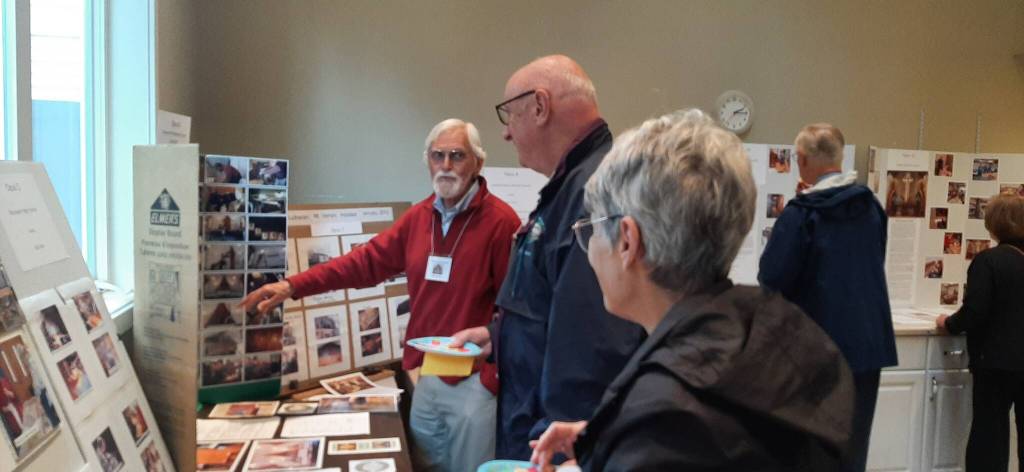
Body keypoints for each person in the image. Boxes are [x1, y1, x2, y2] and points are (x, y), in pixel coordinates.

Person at [530, 109, 854, 470]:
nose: (589, 250)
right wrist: (609, 443)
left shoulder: (665, 420)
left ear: (626, 241)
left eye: (591, 228)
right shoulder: (782, 337)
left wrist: (627, 446)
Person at [239, 118, 520, 472]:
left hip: (475, 383)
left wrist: (490, 379)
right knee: (424, 464)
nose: (445, 166)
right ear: (427, 161)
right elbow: (363, 263)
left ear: (477, 163)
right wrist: (293, 286)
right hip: (429, 373)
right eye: (437, 156)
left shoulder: (501, 222)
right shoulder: (419, 218)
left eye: (456, 156)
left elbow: (516, 309)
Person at [452, 55, 645, 460]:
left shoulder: (595, 193)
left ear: (540, 106)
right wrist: (495, 336)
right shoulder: (572, 186)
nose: (506, 133)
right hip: (533, 420)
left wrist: (557, 454)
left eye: (510, 114)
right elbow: (548, 302)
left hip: (554, 437)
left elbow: (592, 347)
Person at [758, 123, 897, 472]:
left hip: (817, 347)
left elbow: (772, 276)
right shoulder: (872, 208)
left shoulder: (802, 214)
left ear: (801, 160)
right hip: (868, 346)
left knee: (811, 450)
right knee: (853, 449)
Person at [936, 193, 1024, 471]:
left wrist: (948, 323)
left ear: (993, 224)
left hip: (995, 362)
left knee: (989, 435)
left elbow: (974, 311)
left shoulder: (989, 261)